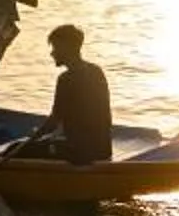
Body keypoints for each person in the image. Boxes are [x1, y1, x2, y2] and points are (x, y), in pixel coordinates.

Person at [17, 25, 112, 163]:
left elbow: (54, 120)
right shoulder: (96, 71)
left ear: (66, 48)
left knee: (18, 149)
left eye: (55, 48)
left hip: (79, 153)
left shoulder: (66, 79)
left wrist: (31, 139)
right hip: (102, 148)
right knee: (43, 144)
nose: (52, 53)